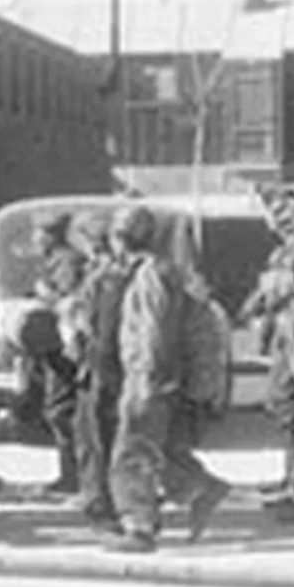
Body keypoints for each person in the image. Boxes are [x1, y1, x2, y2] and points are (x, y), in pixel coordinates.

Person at [106, 204, 230, 553]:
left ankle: (139, 526)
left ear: (122, 238)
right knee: (160, 448)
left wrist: (149, 377)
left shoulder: (150, 276)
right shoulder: (161, 271)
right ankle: (199, 488)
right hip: (156, 375)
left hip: (148, 376)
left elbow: (154, 331)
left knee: (132, 451)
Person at [240, 197, 294, 525]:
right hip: (288, 342)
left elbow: (281, 290)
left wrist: (266, 297)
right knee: (283, 408)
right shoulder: (288, 254)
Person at [64, 210, 131, 533]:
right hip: (94, 366)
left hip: (101, 368)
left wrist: (98, 372)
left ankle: (103, 507)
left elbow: (103, 332)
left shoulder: (108, 279)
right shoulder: (102, 274)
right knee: (88, 438)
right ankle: (98, 500)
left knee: (97, 441)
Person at [28, 212, 88, 495]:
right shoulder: (57, 261)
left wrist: (45, 294)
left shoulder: (67, 262)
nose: (34, 240)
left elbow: (71, 304)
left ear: (50, 236)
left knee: (61, 411)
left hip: (67, 346)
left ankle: (74, 477)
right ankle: (69, 474)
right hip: (55, 344)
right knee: (58, 409)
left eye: (38, 234)